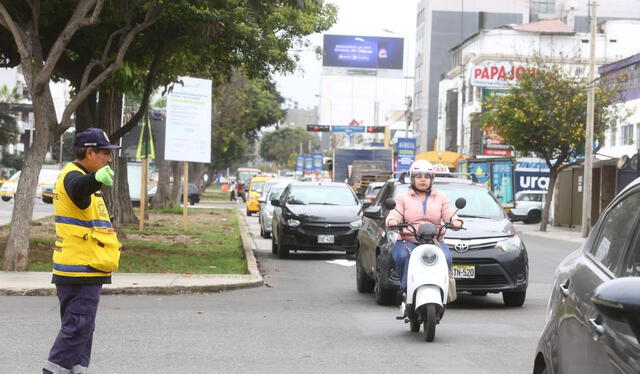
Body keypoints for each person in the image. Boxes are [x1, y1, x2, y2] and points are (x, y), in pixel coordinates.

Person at [44, 128, 122, 374]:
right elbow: (79, 188)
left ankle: (77, 370)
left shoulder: (79, 175)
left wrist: (95, 179)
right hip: (80, 268)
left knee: (82, 328)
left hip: (84, 266)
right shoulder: (74, 177)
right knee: (78, 327)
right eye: (105, 154)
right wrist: (97, 178)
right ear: (90, 152)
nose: (109, 159)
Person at [385, 159, 463, 297]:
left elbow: (449, 213)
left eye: (427, 177)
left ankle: (443, 288)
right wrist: (392, 221)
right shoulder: (402, 198)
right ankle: (406, 290)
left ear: (431, 180)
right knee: (404, 257)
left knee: (446, 258)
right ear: (412, 178)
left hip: (435, 240)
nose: (423, 180)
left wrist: (455, 221)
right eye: (419, 176)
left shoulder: (441, 197)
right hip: (408, 239)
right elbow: (394, 213)